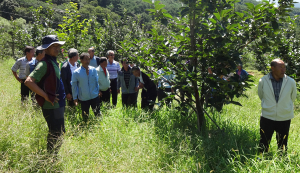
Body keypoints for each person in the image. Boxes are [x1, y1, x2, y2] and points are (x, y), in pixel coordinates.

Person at [24, 35, 66, 154]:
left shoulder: (52, 62)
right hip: (52, 106)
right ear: (46, 49)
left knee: (59, 131)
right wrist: (46, 96)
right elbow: (28, 82)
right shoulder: (44, 64)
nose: (57, 49)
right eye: (54, 46)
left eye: (58, 46)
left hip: (58, 104)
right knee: (55, 132)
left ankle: (53, 155)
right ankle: (51, 157)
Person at [258, 59, 297, 153]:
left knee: (283, 143)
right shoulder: (263, 81)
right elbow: (261, 96)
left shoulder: (291, 82)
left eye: (284, 67)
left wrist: (283, 107)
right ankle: (262, 159)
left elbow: (293, 97)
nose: (283, 70)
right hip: (267, 116)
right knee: (264, 142)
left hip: (284, 116)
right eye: (281, 67)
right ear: (273, 68)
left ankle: (282, 160)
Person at [72, 53, 101, 122]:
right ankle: (85, 127)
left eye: (88, 59)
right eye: (85, 59)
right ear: (81, 60)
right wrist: (75, 98)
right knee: (85, 115)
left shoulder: (93, 70)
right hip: (84, 98)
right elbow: (74, 86)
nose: (87, 61)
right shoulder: (76, 72)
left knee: (97, 113)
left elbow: (96, 81)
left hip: (94, 96)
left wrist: (98, 91)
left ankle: (99, 126)